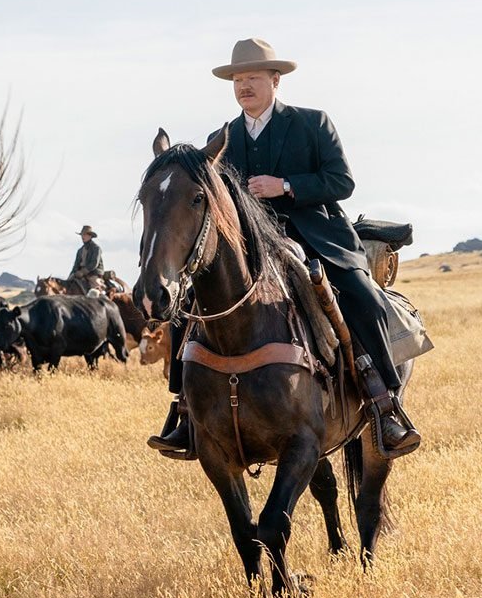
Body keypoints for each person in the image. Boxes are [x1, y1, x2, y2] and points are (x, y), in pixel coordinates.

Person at [149, 38, 420, 459]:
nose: (244, 86)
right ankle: (183, 414)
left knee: (364, 300)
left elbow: (342, 183)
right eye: (237, 80)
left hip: (318, 239)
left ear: (275, 80)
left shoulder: (313, 124)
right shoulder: (221, 139)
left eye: (253, 78)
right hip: (250, 250)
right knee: (189, 309)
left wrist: (287, 186)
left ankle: (385, 405)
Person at [68, 225, 105, 293]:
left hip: (93, 273)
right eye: (82, 235)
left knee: (95, 291)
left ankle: (101, 300)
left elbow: (94, 264)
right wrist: (71, 275)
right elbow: (75, 265)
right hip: (79, 274)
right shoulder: (80, 250)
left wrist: (82, 272)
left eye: (85, 234)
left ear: (90, 236)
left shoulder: (96, 248)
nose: (82, 236)